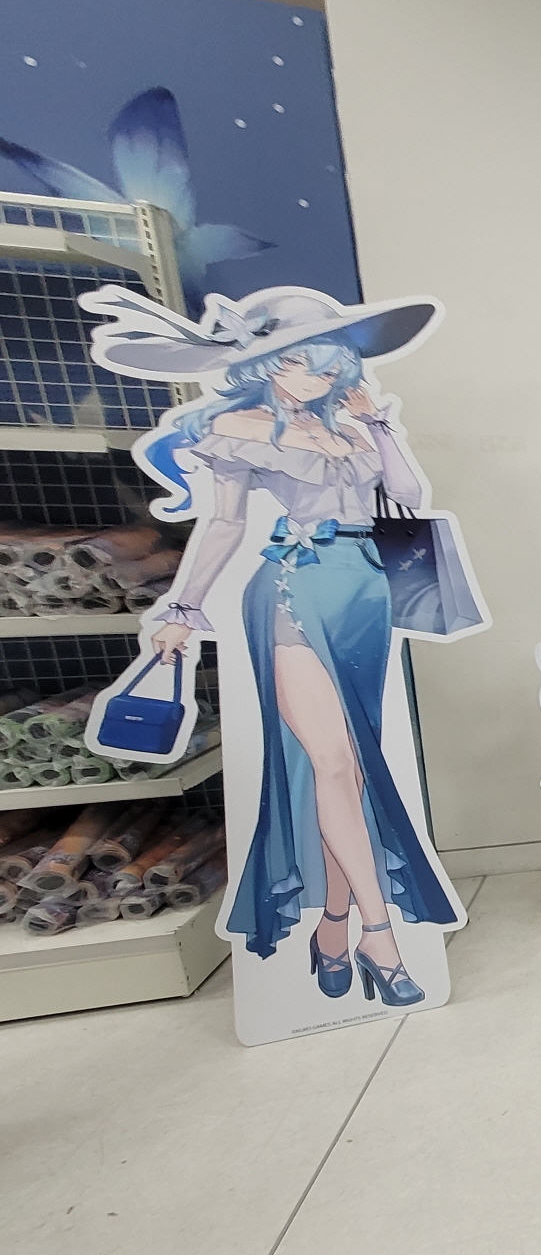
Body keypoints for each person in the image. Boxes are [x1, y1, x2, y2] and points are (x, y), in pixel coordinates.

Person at [84, 284, 475, 1007]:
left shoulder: (351, 429)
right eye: (298, 364)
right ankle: (380, 935)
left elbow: (409, 497)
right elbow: (224, 525)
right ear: (264, 364)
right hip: (294, 587)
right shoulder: (241, 426)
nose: (315, 379)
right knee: (331, 764)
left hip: (364, 593)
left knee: (349, 770)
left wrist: (380, 424)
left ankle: (333, 925)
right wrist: (183, 607)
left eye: (326, 366)